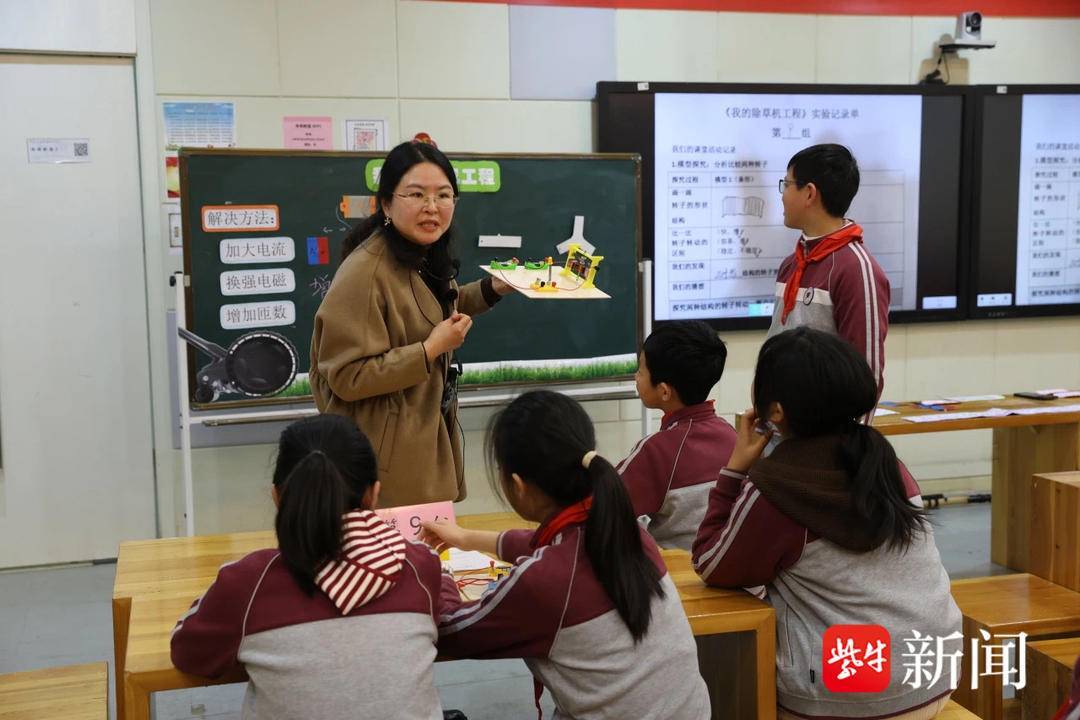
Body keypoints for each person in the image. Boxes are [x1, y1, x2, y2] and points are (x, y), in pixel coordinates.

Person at [692, 327, 960, 719]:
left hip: (848, 698)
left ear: (776, 410)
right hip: (935, 673)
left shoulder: (777, 488)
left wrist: (735, 470)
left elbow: (711, 563)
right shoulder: (885, 463)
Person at [420, 390, 710, 720]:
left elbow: (451, 631)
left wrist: (435, 565)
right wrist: (466, 538)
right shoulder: (627, 531)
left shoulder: (544, 582)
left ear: (518, 485)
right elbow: (551, 548)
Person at [170, 414, 450, 720]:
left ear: (277, 496)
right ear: (374, 493)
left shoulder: (247, 582)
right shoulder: (421, 565)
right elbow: (444, 610)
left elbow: (188, 652)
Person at [310, 138, 510, 507]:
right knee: (400, 562)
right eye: (416, 195)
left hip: (419, 443)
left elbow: (428, 310)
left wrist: (490, 289)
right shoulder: (366, 271)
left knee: (428, 561)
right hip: (385, 464)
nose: (432, 208)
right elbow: (347, 377)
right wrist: (431, 349)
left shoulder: (421, 255)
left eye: (444, 195)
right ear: (386, 203)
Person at [768, 144, 889, 406]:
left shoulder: (855, 269)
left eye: (786, 184)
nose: (782, 195)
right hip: (779, 434)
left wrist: (844, 446)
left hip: (823, 441)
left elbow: (865, 377)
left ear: (809, 193)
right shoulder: (792, 263)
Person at [616, 320, 736, 550]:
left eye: (641, 371)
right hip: (726, 568)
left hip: (679, 576)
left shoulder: (656, 450)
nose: (636, 377)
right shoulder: (732, 435)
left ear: (664, 391)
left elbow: (603, 504)